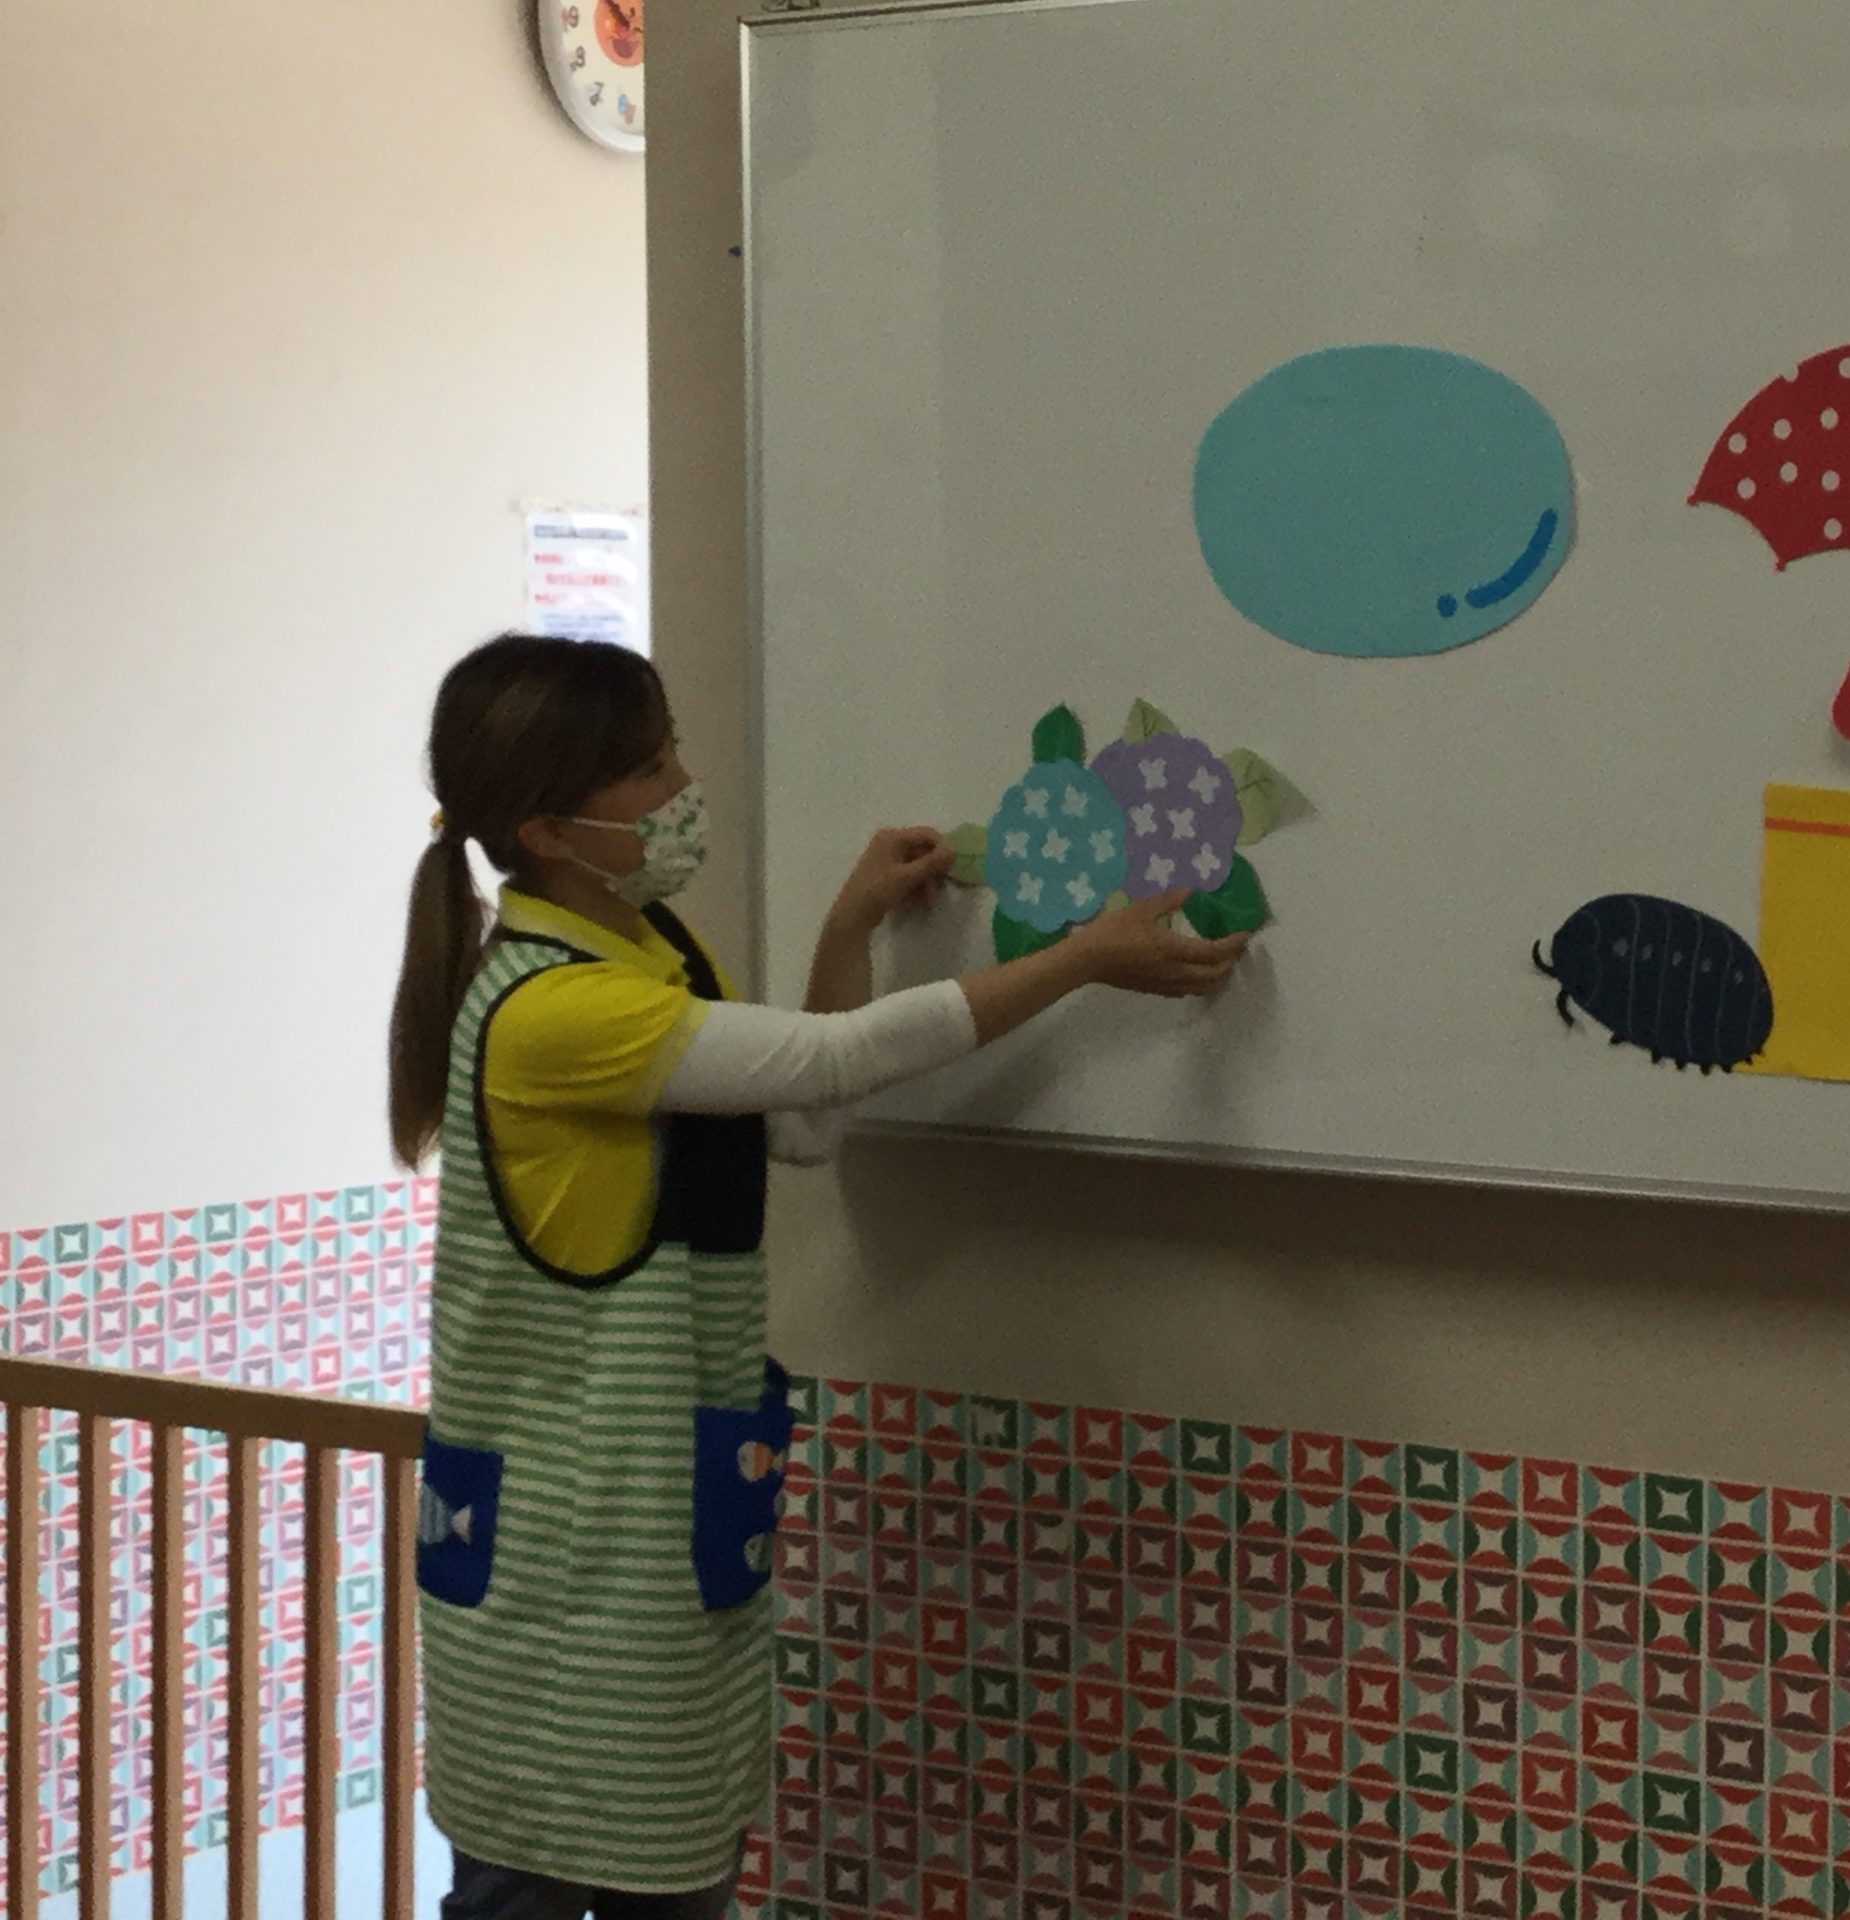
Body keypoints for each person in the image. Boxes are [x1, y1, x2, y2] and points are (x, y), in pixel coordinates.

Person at [385, 634, 1247, 1920]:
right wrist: (1078, 959)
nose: (683, 785)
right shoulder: (553, 1011)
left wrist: (850, 923)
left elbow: (800, 1120)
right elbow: (837, 1060)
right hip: (569, 1557)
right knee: (546, 1871)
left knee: (671, 1857)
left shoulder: (650, 953)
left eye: (670, 749)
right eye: (648, 769)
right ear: (547, 831)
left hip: (648, 1544)